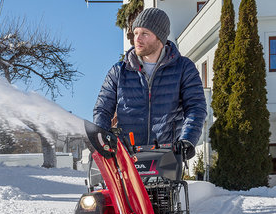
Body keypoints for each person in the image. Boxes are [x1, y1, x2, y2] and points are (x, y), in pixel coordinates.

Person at [88, 7, 207, 160]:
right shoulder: (119, 72)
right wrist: (102, 137)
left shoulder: (183, 68)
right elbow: (102, 109)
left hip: (167, 156)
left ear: (160, 37)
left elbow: (196, 107)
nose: (137, 39)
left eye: (145, 33)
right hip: (128, 156)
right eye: (136, 33)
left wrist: (187, 139)